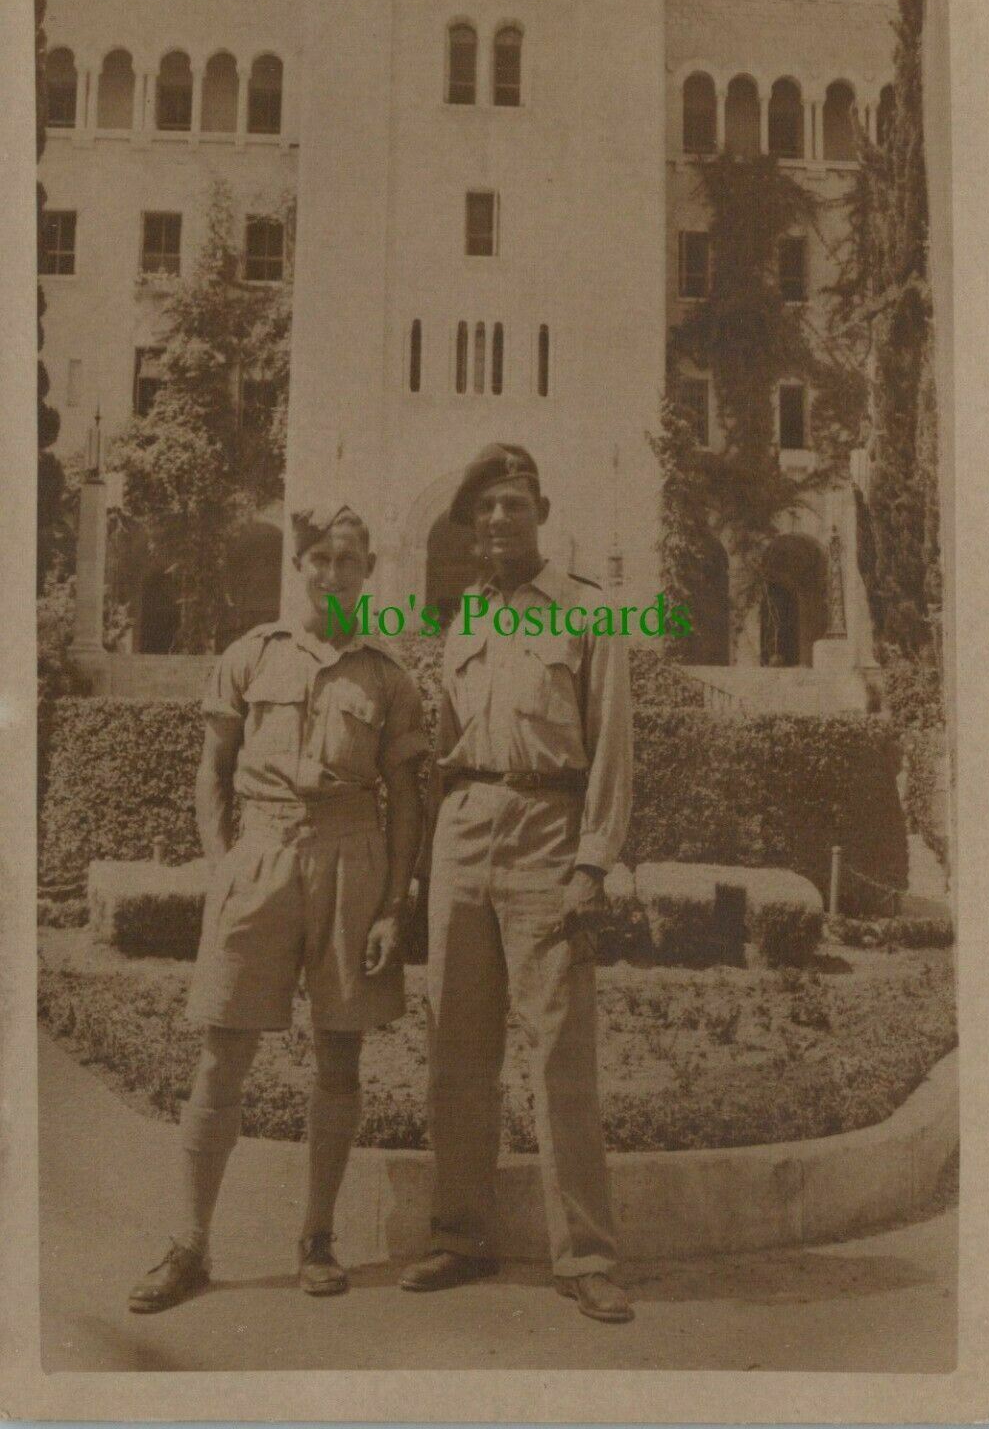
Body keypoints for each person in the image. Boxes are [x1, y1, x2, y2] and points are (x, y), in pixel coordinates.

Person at [128, 504, 427, 1313]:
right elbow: (211, 769)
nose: (333, 574)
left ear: (369, 572)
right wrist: (222, 862)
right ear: (298, 568)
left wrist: (392, 907)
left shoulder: (387, 677)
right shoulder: (249, 656)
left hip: (349, 858)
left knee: (339, 1058)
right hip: (258, 857)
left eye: (348, 561)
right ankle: (188, 1243)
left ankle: (317, 1237)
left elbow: (406, 799)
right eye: (319, 559)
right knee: (221, 1056)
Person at [400, 444, 635, 1323]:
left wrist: (593, 862)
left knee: (560, 1052)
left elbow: (611, 744)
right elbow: (446, 743)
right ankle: (459, 1233)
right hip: (463, 834)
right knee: (457, 1048)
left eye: (513, 502)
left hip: (547, 832)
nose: (499, 519)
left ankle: (585, 1256)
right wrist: (424, 864)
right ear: (471, 526)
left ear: (539, 509)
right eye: (486, 508)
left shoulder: (586, 612)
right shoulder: (464, 616)